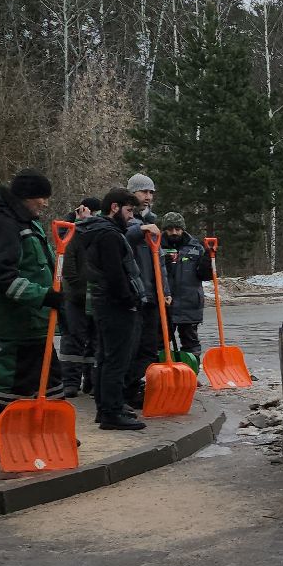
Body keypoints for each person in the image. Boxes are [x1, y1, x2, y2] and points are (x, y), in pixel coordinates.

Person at [0, 169, 65, 462]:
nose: (45, 204)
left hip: (34, 318)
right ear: (27, 197)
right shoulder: (4, 224)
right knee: (15, 380)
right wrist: (42, 295)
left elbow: (35, 265)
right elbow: (2, 276)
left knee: (49, 376)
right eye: (42, 198)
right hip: (19, 318)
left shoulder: (25, 221)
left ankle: (52, 432)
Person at [77, 188, 148, 431]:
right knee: (116, 360)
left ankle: (106, 407)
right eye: (129, 210)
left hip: (105, 303)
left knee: (106, 358)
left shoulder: (100, 232)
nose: (131, 216)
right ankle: (112, 412)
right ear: (115, 208)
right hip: (115, 306)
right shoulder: (108, 235)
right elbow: (116, 273)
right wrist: (129, 300)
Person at [124, 171, 162, 405]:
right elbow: (122, 236)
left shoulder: (151, 221)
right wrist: (143, 229)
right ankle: (126, 390)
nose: (147, 196)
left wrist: (165, 291)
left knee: (149, 347)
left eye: (151, 192)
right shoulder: (126, 218)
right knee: (132, 347)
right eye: (143, 191)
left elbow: (160, 263)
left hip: (152, 294)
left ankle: (137, 386)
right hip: (134, 294)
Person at [59, 196, 101, 398]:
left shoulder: (99, 231)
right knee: (73, 339)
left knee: (94, 340)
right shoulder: (71, 231)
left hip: (95, 295)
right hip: (75, 296)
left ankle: (91, 381)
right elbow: (66, 262)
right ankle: (70, 382)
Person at [159, 212, 214, 357]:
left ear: (183, 229)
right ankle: (163, 375)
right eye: (170, 229)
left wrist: (209, 257)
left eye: (177, 229)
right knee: (160, 342)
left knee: (191, 344)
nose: (174, 232)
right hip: (164, 304)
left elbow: (205, 275)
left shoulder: (196, 247)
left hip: (189, 304)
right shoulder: (156, 247)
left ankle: (190, 375)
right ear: (164, 230)